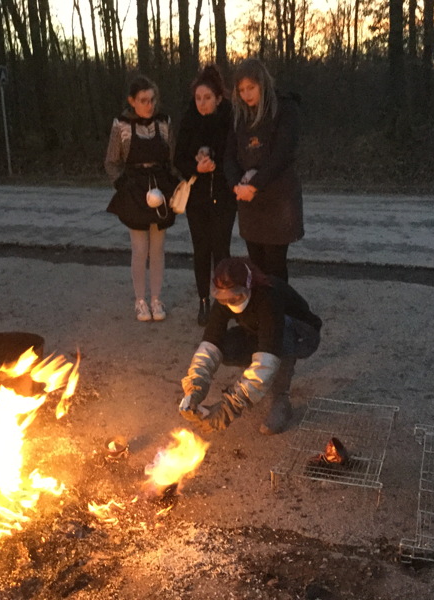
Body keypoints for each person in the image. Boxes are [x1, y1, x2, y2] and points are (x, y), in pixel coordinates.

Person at [178, 257, 322, 435]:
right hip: (262, 331)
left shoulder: (267, 297)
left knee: (279, 340)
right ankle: (255, 383)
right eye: (224, 298)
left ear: (247, 285)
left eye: (235, 296)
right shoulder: (226, 295)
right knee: (227, 347)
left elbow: (268, 358)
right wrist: (195, 388)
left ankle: (280, 399)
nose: (230, 302)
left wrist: (230, 406)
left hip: (302, 335)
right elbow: (210, 343)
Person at [105, 75, 179, 322]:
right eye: (144, 100)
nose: (150, 105)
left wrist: (175, 187)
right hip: (134, 189)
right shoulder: (122, 126)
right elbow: (112, 162)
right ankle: (140, 301)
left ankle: (156, 299)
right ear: (132, 101)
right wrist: (122, 186)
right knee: (139, 249)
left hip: (161, 186)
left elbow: (173, 158)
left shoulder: (165, 122)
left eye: (152, 99)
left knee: (158, 248)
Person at [224, 58, 303, 283]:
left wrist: (256, 184)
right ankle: (261, 314)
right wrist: (236, 185)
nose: (247, 94)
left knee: (275, 265)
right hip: (249, 200)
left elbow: (282, 154)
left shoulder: (286, 109)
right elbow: (228, 155)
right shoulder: (239, 115)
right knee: (256, 264)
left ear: (262, 84)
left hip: (278, 198)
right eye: (241, 90)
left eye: (251, 88)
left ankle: (280, 314)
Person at [174, 65, 238, 326]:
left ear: (219, 98)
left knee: (221, 250)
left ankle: (224, 301)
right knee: (201, 249)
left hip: (223, 196)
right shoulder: (189, 120)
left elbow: (236, 157)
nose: (202, 103)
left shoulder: (230, 121)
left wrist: (217, 165)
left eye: (207, 98)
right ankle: (204, 302)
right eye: (198, 98)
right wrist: (196, 167)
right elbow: (179, 158)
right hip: (197, 198)